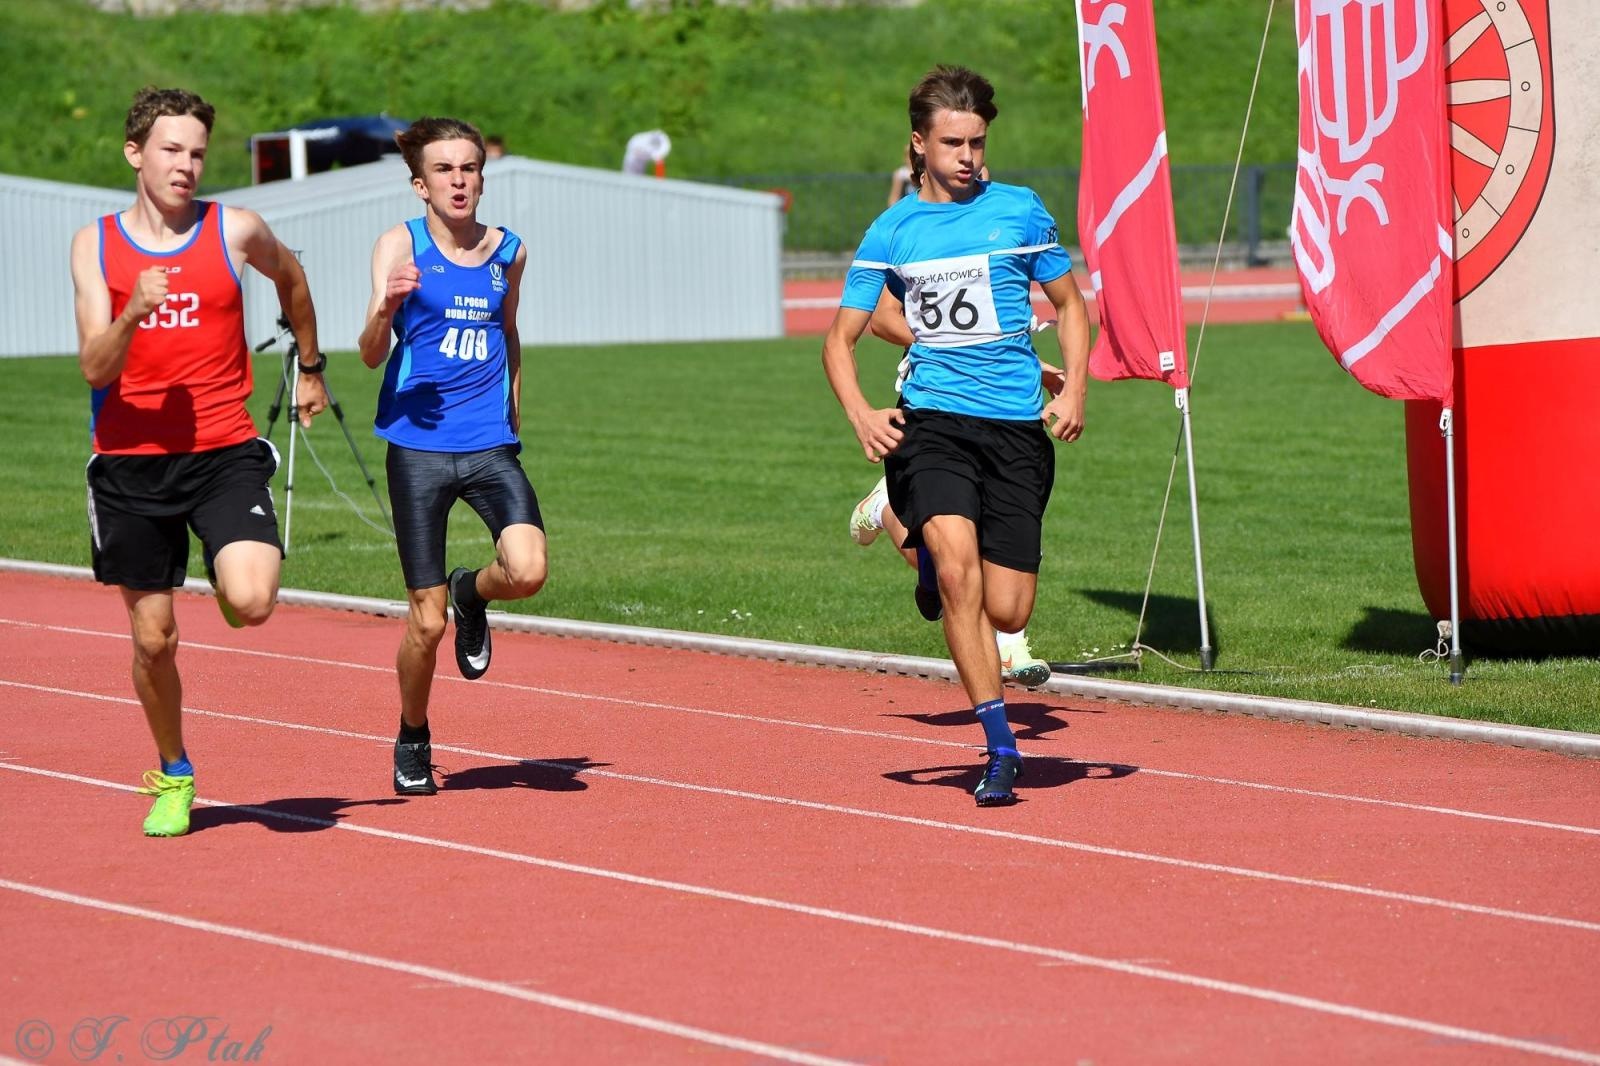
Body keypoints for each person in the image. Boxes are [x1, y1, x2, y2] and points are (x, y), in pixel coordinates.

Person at [822, 66, 1091, 807]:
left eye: (977, 141)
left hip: (1013, 429)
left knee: (1007, 610)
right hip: (932, 423)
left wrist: (1075, 381)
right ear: (919, 144)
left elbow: (1070, 304)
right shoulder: (894, 230)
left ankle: (893, 519)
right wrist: (863, 413)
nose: (969, 155)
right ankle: (1000, 745)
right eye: (952, 142)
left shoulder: (1022, 212)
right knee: (957, 577)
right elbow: (841, 338)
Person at [70, 85, 330, 837]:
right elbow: (93, 366)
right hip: (129, 464)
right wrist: (132, 312)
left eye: (196, 153)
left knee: (251, 601)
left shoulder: (236, 229)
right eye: (171, 150)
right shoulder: (97, 245)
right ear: (135, 154)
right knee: (154, 639)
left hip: (221, 451)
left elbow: (293, 279)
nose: (186, 166)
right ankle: (175, 772)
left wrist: (310, 366)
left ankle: (224, 562)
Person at [358, 116, 544, 797]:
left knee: (527, 570)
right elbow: (372, 349)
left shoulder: (509, 252)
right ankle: (413, 732)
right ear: (420, 184)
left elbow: (509, 330)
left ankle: (475, 590)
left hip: (489, 443)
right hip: (418, 449)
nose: (459, 180)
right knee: (425, 622)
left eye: (469, 168)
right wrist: (387, 306)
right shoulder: (398, 247)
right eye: (445, 170)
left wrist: (514, 406)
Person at [848, 301, 1063, 690]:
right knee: (958, 560)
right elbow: (881, 320)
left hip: (1006, 404)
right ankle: (887, 509)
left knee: (1003, 532)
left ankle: (1010, 638)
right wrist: (954, 349)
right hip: (940, 405)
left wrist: (1032, 365)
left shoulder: (1007, 243)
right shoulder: (910, 242)